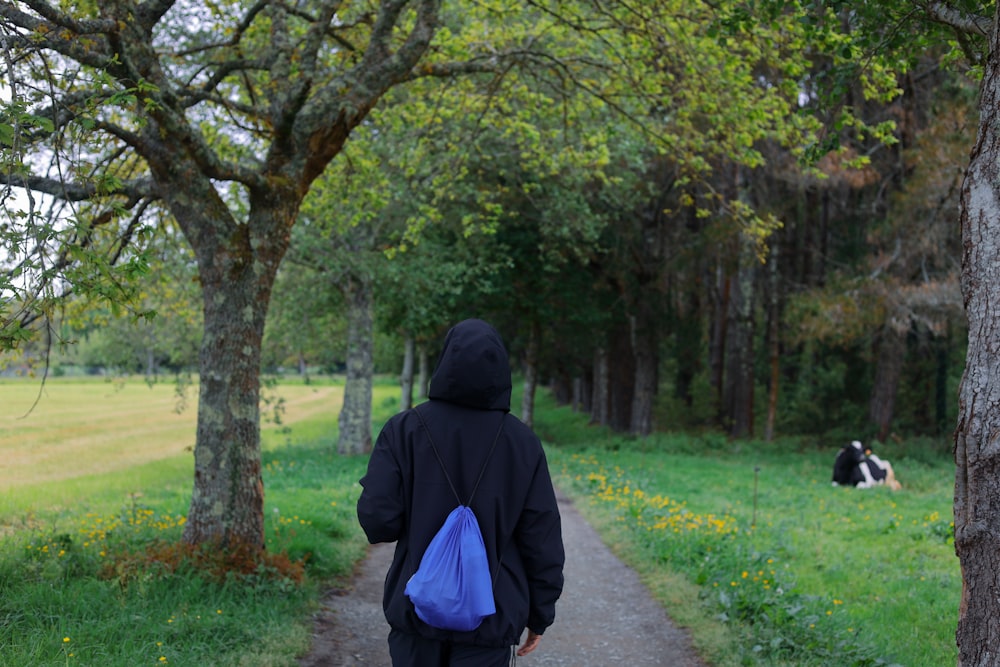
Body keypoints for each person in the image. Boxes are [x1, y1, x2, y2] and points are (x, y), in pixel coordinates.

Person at [357, 318, 565, 666]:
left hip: (416, 611)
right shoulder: (522, 443)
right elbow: (541, 539)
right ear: (502, 370)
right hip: (491, 619)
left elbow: (379, 522)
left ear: (445, 363)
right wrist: (539, 614)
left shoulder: (404, 430)